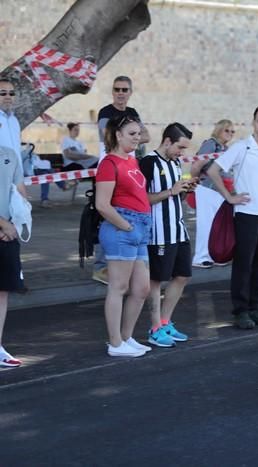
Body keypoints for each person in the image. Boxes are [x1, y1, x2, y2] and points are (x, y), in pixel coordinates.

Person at [207, 105, 258, 330]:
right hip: (245, 215)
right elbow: (213, 170)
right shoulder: (241, 147)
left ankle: (255, 307)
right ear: (253, 122)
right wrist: (229, 197)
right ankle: (240, 311)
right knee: (243, 265)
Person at [95, 115, 152, 358]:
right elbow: (102, 205)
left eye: (138, 134)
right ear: (118, 135)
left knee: (141, 288)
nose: (137, 138)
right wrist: (127, 226)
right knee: (118, 287)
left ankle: (127, 337)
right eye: (131, 134)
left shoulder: (132, 161)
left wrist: (136, 227)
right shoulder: (109, 163)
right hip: (122, 227)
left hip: (140, 227)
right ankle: (115, 343)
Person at [140, 123, 196, 348]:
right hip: (158, 232)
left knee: (182, 275)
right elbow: (141, 199)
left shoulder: (175, 163)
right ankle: (154, 328)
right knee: (156, 280)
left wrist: (185, 190)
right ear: (167, 141)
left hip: (178, 228)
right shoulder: (148, 163)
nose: (182, 153)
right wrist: (170, 192)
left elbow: (174, 196)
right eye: (180, 147)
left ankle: (165, 322)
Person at [93, 76, 150, 285]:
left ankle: (123, 262)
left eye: (124, 89)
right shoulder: (105, 112)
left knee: (129, 212)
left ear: (130, 92)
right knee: (106, 214)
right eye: (117, 89)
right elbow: (107, 135)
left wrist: (130, 135)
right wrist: (132, 135)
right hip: (109, 169)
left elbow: (147, 136)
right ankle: (101, 266)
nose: (120, 92)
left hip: (130, 169)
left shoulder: (132, 113)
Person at [190, 119, 235, 268]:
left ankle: (215, 255)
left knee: (217, 225)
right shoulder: (211, 144)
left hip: (219, 191)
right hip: (208, 188)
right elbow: (197, 164)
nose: (230, 133)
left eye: (232, 131)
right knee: (206, 224)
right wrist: (195, 180)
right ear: (219, 130)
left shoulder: (225, 148)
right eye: (226, 130)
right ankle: (201, 257)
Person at [0, 145, 28, 367]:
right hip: (4, 228)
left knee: (2, 292)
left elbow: (19, 192)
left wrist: (16, 224)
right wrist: (3, 224)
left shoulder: (9, 154)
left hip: (7, 234)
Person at [0, 79, 21, 166]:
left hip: (16, 176)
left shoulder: (14, 120)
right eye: (3, 93)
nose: (8, 96)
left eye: (11, 93)